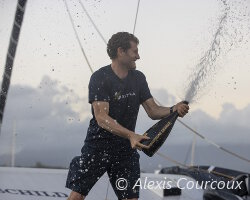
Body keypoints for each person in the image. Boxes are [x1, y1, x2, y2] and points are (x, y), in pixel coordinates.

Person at [66, 32, 189, 200]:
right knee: (77, 197)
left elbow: (153, 110)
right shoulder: (100, 78)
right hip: (97, 148)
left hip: (125, 151)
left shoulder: (138, 78)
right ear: (121, 51)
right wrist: (131, 135)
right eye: (135, 52)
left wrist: (173, 109)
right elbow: (102, 118)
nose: (138, 56)